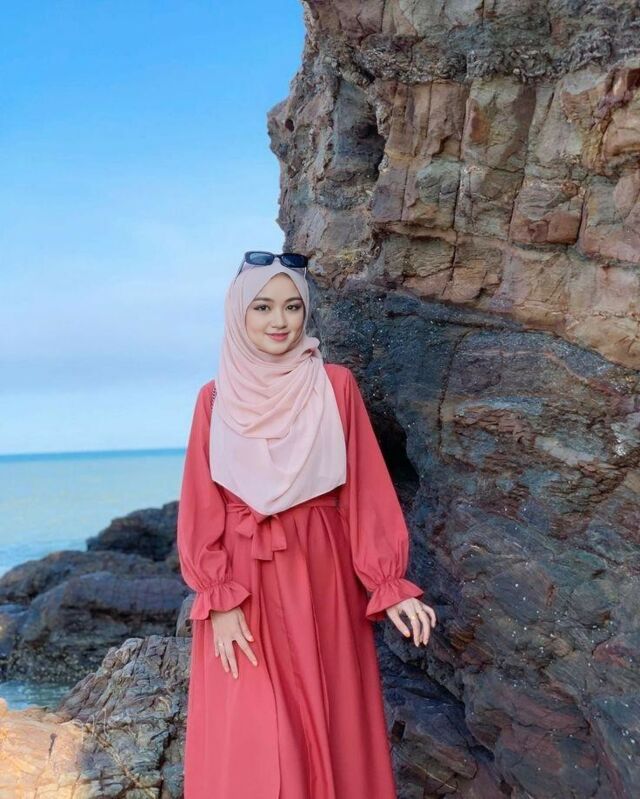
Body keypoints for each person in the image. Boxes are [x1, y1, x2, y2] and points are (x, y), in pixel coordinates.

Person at [176, 252, 437, 799]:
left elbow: (365, 488)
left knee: (329, 720)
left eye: (293, 307)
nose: (280, 321)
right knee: (254, 732)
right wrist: (218, 600)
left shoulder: (334, 385)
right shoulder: (214, 398)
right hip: (242, 586)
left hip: (321, 575)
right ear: (238, 315)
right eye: (263, 307)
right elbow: (201, 503)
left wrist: (388, 582)